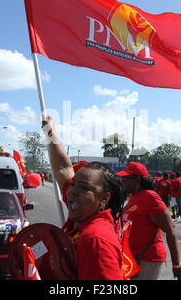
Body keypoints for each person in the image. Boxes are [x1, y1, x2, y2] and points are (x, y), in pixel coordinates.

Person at [42, 116, 126, 280]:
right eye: (73, 184)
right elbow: (62, 167)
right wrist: (50, 132)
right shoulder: (82, 204)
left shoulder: (96, 240)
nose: (72, 191)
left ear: (104, 199)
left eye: (84, 187)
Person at [116, 162, 181, 280]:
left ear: (137, 179)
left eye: (125, 178)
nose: (122, 181)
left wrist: (176, 264)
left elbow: (170, 229)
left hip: (148, 258)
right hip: (132, 258)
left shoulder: (150, 197)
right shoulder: (134, 197)